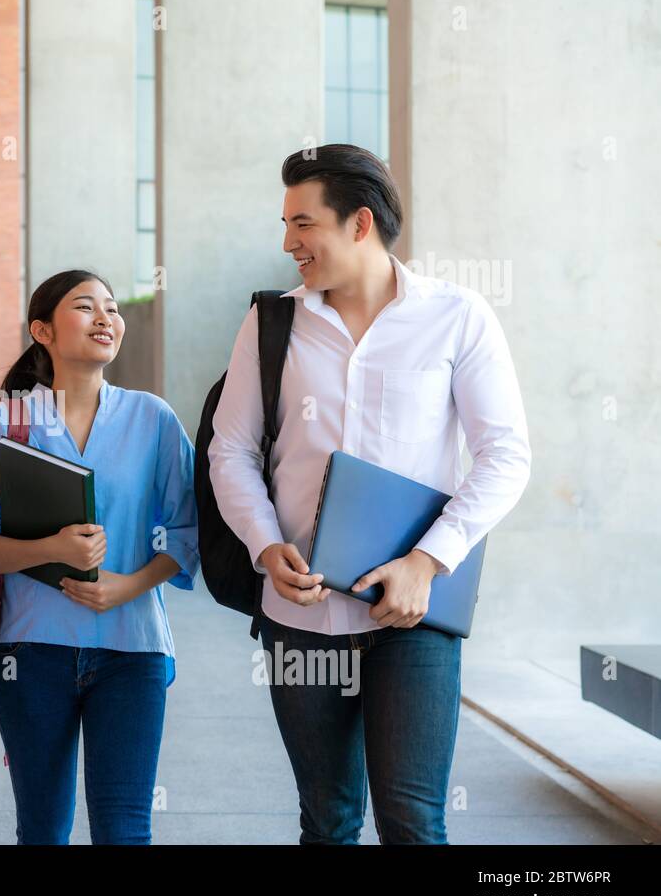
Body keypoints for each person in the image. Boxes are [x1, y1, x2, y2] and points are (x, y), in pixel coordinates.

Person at [208, 144, 532, 844]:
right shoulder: (271, 323)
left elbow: (506, 456)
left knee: (413, 823)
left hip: (411, 617)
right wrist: (265, 546)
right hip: (300, 613)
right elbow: (229, 448)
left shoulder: (458, 316)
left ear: (359, 224)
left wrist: (429, 560)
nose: (288, 242)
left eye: (303, 223)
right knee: (327, 821)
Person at [0, 269, 200, 844]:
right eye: (86, 307)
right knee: (41, 829)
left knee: (124, 830)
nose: (106, 319)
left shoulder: (154, 420)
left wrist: (129, 585)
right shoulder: (6, 426)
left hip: (132, 651)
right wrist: (51, 549)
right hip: (31, 652)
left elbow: (186, 531)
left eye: (112, 309)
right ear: (42, 330)